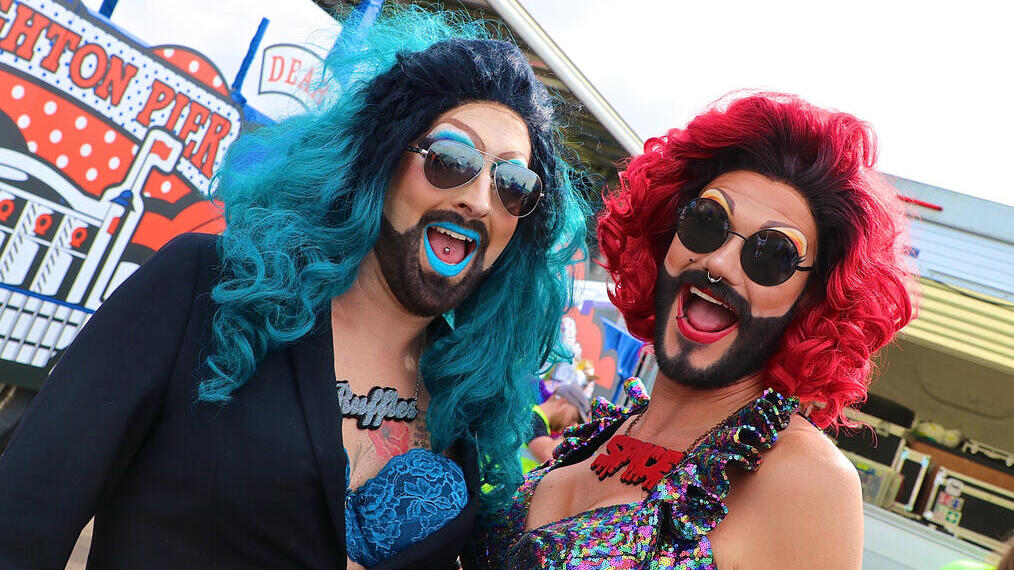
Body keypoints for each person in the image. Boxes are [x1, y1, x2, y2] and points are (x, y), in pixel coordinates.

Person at [0, 7, 587, 570]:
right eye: (453, 158)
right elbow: (22, 522)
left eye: (513, 183)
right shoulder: (206, 290)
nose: (479, 199)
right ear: (379, 158)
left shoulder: (470, 405)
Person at [465, 92, 914, 569]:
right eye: (707, 222)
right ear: (666, 239)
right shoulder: (603, 433)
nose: (719, 263)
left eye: (773, 254)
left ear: (810, 301)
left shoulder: (805, 480)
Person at [521, 383, 591, 471]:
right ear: (561, 403)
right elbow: (548, 455)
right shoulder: (533, 417)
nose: (573, 424)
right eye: (574, 418)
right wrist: (571, 434)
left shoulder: (540, 425)